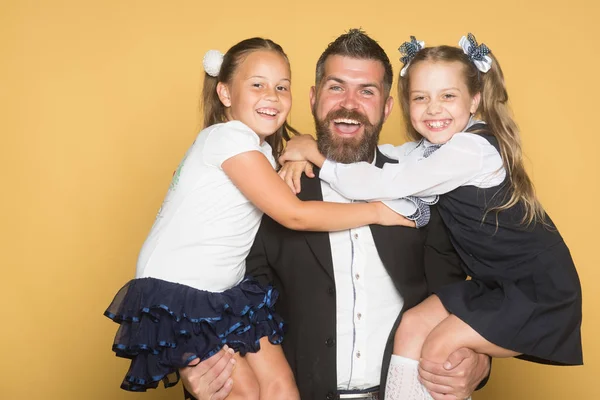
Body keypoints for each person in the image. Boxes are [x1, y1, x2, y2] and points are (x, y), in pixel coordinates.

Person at [185, 29, 491, 400]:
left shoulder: (426, 184)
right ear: (313, 98)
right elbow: (221, 292)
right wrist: (199, 366)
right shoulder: (269, 188)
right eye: (336, 87)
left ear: (388, 106)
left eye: (367, 91)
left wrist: (478, 360)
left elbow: (457, 295)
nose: (350, 103)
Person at [103, 37, 413, 400]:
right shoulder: (227, 138)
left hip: (226, 292)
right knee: (244, 392)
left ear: (388, 106)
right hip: (181, 291)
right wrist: (379, 210)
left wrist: (303, 152)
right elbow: (294, 214)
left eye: (282, 87)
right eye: (257, 85)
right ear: (225, 93)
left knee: (281, 388)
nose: (272, 95)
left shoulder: (266, 154)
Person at [279, 33, 583, 399]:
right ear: (406, 105)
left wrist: (316, 154)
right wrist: (303, 153)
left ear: (474, 100)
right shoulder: (433, 152)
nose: (434, 109)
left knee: (438, 352)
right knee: (413, 325)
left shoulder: (470, 150)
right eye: (421, 98)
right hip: (493, 283)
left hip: (533, 286)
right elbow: (391, 157)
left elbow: (389, 179)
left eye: (448, 96)